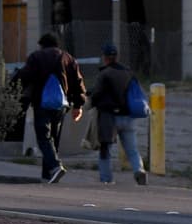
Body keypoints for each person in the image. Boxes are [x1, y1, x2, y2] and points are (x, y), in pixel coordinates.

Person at [16, 32, 86, 183]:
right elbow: (78, 82)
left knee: (43, 137)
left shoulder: (36, 57)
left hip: (42, 103)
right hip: (61, 105)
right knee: (53, 139)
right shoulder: (68, 58)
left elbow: (25, 76)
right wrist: (78, 105)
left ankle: (54, 166)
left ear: (42, 44)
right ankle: (48, 176)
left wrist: (14, 83)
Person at [88, 41, 148, 185]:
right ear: (117, 56)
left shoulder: (105, 74)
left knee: (105, 149)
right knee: (132, 149)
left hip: (109, 117)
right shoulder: (128, 72)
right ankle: (139, 170)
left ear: (105, 57)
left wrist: (88, 99)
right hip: (128, 116)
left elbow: (96, 94)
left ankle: (107, 179)